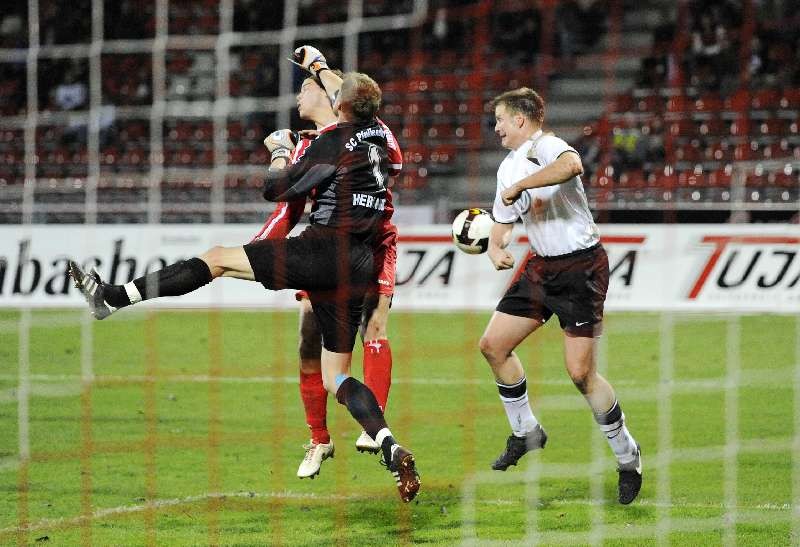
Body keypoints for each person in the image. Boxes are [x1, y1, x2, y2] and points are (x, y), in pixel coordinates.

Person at [68, 70, 421, 503]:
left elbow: (275, 189)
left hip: (323, 250)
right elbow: (358, 106)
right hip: (359, 265)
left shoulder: (332, 142)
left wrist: (279, 152)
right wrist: (319, 69)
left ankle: (113, 298)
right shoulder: (380, 137)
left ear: (339, 104)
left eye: (312, 87)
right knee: (337, 376)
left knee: (217, 258)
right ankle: (390, 445)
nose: (306, 92)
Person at [481, 87, 642, 505]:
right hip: (540, 268)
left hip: (582, 268)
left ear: (520, 119)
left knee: (580, 374)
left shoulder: (546, 145)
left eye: (500, 120)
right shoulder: (506, 168)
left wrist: (522, 185)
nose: (496, 128)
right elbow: (502, 222)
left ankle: (628, 456)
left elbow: (572, 165)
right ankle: (526, 431)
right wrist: (496, 247)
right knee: (493, 345)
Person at [252, 46, 400, 479]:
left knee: (374, 324)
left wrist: (318, 67)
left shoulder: (367, 130)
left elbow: (392, 155)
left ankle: (375, 425)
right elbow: (287, 209)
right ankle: (319, 438)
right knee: (307, 339)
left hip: (373, 240)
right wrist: (258, 252)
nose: (298, 96)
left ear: (328, 95)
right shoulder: (306, 146)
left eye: (305, 88)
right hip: (324, 247)